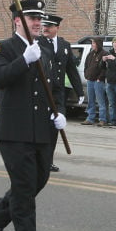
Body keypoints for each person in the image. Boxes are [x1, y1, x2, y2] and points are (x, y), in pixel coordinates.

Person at [0, 0, 66, 231]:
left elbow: (56, 88)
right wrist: (24, 60)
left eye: (40, 18)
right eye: (32, 18)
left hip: (43, 130)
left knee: (38, 180)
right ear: (18, 20)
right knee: (25, 187)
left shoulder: (46, 50)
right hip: (14, 131)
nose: (39, 23)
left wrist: (60, 111)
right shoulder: (2, 48)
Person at [40, 14, 84, 172]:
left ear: (57, 28)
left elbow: (71, 69)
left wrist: (79, 91)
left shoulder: (64, 45)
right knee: (41, 128)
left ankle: (48, 161)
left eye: (49, 26)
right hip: (42, 92)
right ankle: (39, 160)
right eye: (44, 26)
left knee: (54, 128)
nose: (45, 28)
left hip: (59, 94)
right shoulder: (37, 43)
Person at [81, 37, 109, 126]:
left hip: (98, 81)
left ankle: (102, 119)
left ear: (98, 44)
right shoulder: (90, 54)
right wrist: (86, 75)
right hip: (90, 80)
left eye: (94, 43)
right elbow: (86, 65)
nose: (92, 44)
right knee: (90, 100)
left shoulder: (104, 54)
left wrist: (100, 78)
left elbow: (105, 69)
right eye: (92, 43)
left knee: (101, 101)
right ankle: (90, 118)